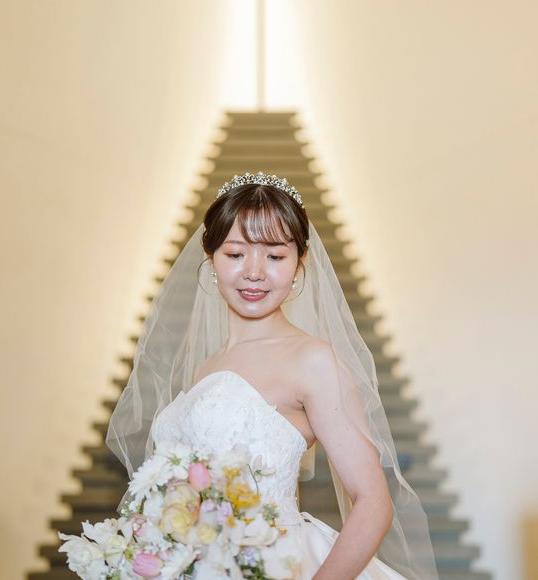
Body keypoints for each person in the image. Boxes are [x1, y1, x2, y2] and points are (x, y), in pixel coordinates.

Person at [107, 172, 438, 579]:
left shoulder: (313, 360)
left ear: (300, 262)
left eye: (275, 257)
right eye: (235, 254)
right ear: (211, 257)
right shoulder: (205, 367)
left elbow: (373, 502)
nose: (254, 272)